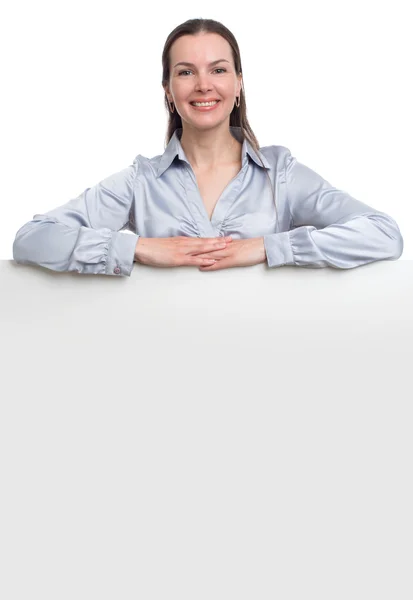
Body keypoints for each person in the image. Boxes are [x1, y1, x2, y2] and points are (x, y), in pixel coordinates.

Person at [13, 18, 403, 277]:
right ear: (168, 90)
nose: (203, 85)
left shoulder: (281, 174)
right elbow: (32, 238)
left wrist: (271, 247)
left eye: (218, 70)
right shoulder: (141, 181)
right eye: (186, 72)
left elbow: (383, 234)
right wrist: (136, 248)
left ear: (238, 83)